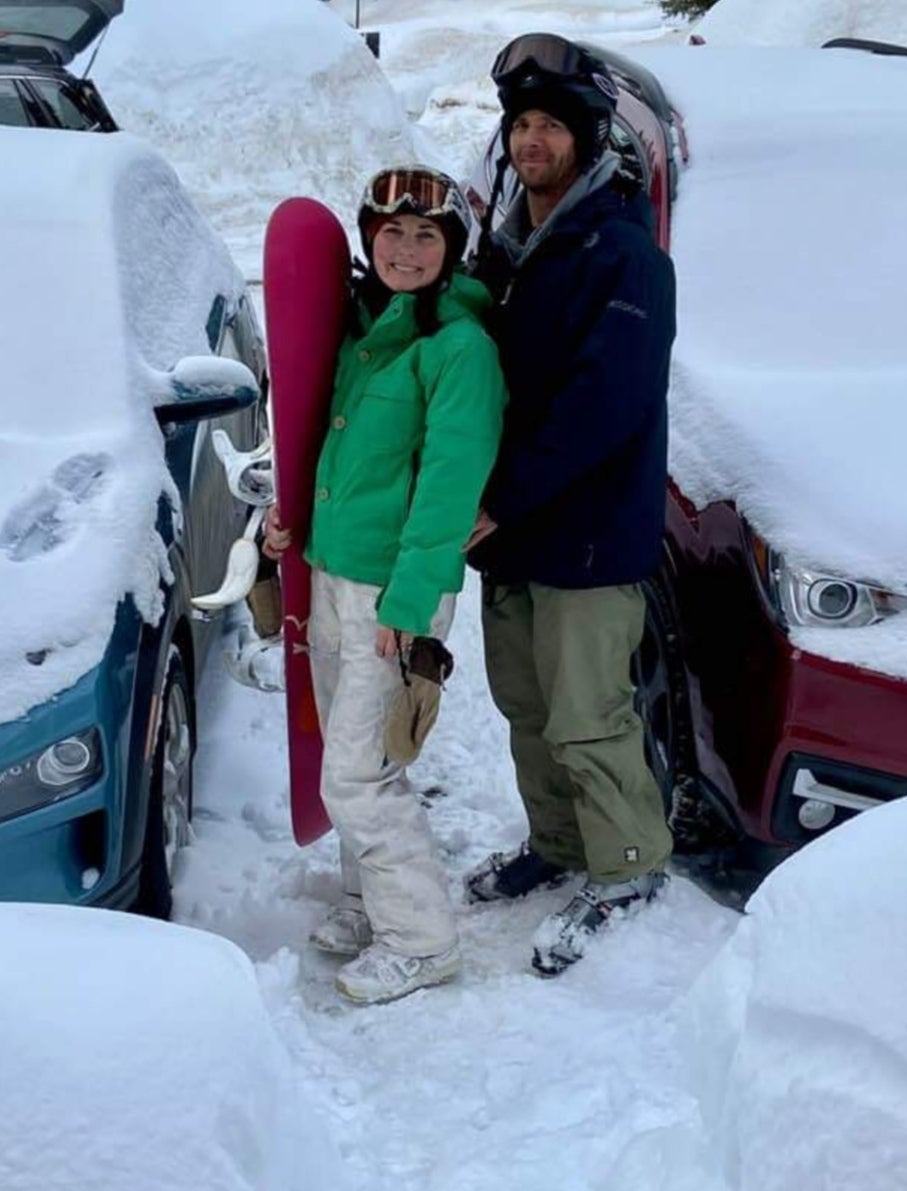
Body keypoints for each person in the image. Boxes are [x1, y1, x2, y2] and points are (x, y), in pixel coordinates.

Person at [264, 166, 506, 1004]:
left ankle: (421, 938)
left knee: (360, 774)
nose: (406, 249)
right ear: (369, 237)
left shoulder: (459, 349)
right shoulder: (368, 329)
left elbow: (447, 489)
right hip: (335, 568)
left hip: (392, 590)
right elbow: (329, 448)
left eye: (427, 236)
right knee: (343, 748)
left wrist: (408, 608)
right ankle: (371, 902)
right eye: (392, 232)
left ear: (451, 250)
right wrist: (294, 523)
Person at [464, 33, 677, 977]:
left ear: (588, 144)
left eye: (552, 126)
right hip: (512, 533)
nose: (532, 141)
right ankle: (555, 843)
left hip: (585, 533)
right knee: (525, 703)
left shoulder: (622, 254)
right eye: (521, 125)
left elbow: (605, 403)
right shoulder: (510, 247)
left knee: (589, 712)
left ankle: (627, 865)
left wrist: (501, 497)